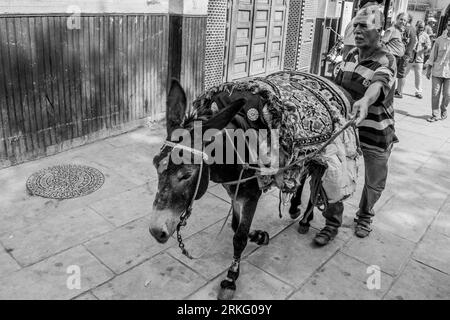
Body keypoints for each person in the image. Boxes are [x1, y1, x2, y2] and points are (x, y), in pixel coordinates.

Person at [313, 5, 398, 245]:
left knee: (374, 183)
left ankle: (365, 215)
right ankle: (331, 224)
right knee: (332, 174)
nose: (357, 31)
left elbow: (378, 84)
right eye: (355, 25)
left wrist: (365, 101)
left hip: (376, 133)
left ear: (379, 31)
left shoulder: (386, 59)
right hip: (347, 131)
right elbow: (337, 89)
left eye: (364, 26)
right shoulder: (350, 56)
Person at [425, 20, 450, 122]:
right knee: (435, 93)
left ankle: (443, 109)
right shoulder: (439, 40)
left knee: (448, 94)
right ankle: (435, 114)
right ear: (447, 26)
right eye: (449, 25)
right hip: (437, 70)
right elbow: (432, 55)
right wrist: (428, 69)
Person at [403, 20, 431, 99]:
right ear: (416, 26)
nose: (420, 29)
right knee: (404, 74)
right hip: (410, 58)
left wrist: (426, 47)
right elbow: (405, 42)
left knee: (418, 76)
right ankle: (399, 89)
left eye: (422, 28)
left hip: (419, 59)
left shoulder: (426, 36)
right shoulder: (411, 33)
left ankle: (418, 92)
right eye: (419, 27)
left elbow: (429, 45)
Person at [395, 14, 418, 98]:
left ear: (407, 20)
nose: (403, 22)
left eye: (404, 20)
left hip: (403, 53)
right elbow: (415, 42)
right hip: (408, 53)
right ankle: (398, 90)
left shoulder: (406, 29)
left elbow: (403, 42)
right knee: (402, 73)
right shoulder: (412, 29)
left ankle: (399, 92)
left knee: (400, 73)